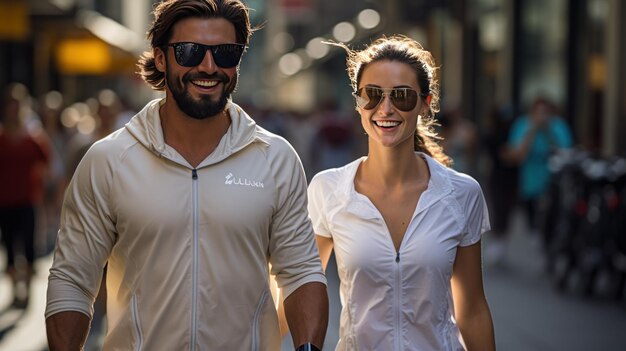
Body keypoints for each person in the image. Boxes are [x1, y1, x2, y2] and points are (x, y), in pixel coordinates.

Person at [45, 1, 328, 350]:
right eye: (190, 52)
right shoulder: (109, 159)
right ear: (161, 58)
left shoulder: (276, 158)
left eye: (225, 53)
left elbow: (301, 272)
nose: (208, 66)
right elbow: (73, 278)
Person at [307, 35, 495, 350]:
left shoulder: (462, 194)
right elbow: (300, 289)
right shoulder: (328, 189)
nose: (386, 108)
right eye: (372, 95)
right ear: (358, 101)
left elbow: (473, 309)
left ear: (425, 102)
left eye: (402, 96)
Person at [0, 84, 51, 309]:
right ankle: (14, 292)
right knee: (10, 248)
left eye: (17, 105)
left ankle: (27, 292)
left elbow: (48, 165)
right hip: (5, 202)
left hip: (28, 201)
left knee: (29, 248)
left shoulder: (34, 138)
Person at [505, 96, 572, 244]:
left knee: (552, 218)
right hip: (530, 183)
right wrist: (533, 130)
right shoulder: (523, 125)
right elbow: (517, 155)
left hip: (553, 182)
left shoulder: (558, 126)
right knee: (532, 219)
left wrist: (548, 131)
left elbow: (565, 153)